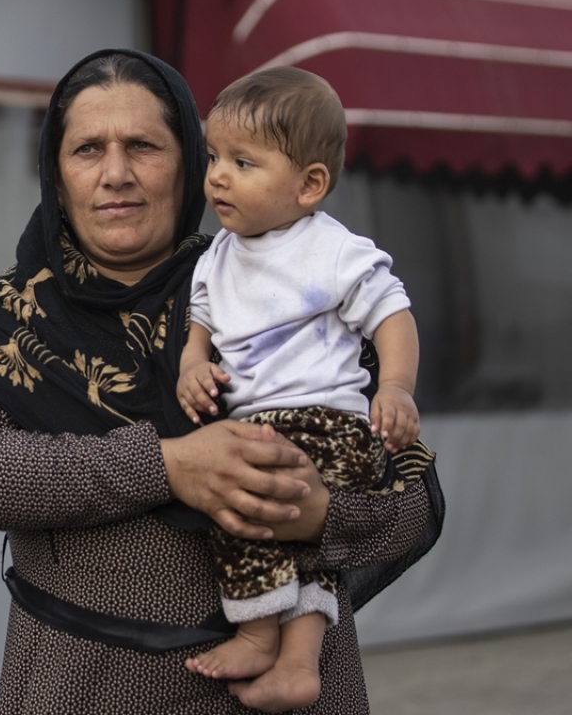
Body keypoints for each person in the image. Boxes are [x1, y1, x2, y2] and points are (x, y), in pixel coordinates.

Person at [0, 48, 442, 714]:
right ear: (57, 175)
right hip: (82, 692)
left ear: (193, 163)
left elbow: (413, 502)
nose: (116, 173)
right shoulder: (12, 318)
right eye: (88, 149)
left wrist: (319, 512)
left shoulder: (281, 283)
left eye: (144, 145)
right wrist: (166, 465)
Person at [177, 67, 420, 710]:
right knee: (257, 513)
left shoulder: (331, 249)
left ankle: (262, 637)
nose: (218, 175)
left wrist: (395, 388)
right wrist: (191, 367)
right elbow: (199, 326)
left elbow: (392, 313)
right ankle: (296, 664)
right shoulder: (218, 257)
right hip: (258, 420)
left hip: (329, 420)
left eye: (243, 162)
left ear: (309, 184)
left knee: (261, 514)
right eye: (214, 157)